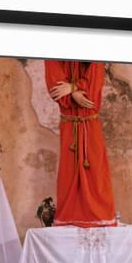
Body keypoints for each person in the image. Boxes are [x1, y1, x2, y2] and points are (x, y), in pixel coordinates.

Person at [44, 60, 116, 227]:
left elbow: (92, 88)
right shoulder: (52, 53)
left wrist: (72, 87)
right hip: (69, 126)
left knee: (96, 173)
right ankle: (69, 218)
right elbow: (56, 91)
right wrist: (77, 91)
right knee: (68, 173)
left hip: (90, 125)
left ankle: (99, 217)